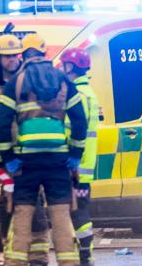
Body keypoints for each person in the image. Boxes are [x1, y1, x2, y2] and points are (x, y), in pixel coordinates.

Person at [0, 36, 88, 266]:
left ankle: (15, 262)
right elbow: (80, 121)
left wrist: (9, 158)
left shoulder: (15, 82)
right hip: (58, 159)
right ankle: (69, 262)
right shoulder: (64, 80)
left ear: (23, 54)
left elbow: (3, 123)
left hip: (26, 161)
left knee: (23, 214)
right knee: (61, 215)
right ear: (45, 53)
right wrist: (74, 155)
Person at [0, 34, 48, 266]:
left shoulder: (29, 80)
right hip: (1, 156)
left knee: (34, 203)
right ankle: (12, 251)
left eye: (14, 56)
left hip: (27, 154)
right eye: (6, 57)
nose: (11, 60)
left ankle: (38, 256)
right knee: (3, 205)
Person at [59, 48, 100, 266]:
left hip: (75, 166)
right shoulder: (88, 92)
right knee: (79, 211)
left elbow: (76, 128)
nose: (63, 69)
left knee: (78, 213)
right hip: (84, 166)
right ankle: (85, 254)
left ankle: (85, 256)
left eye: (65, 65)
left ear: (72, 68)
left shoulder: (79, 95)